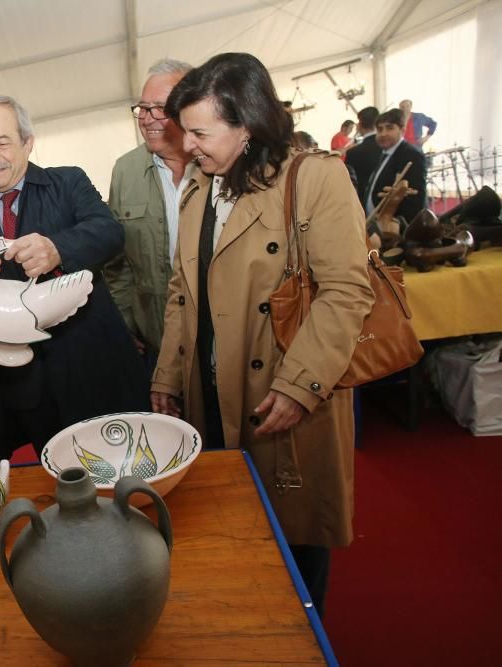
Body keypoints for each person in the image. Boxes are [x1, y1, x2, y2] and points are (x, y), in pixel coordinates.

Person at [152, 53, 374, 617]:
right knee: (232, 533)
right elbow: (183, 288)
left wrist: (300, 385)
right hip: (210, 390)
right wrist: (168, 376)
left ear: (246, 124)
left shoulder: (316, 177)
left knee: (295, 545)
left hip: (286, 389)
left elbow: (346, 290)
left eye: (200, 132)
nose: (189, 145)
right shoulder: (199, 186)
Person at [0, 95, 149, 457]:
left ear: (28, 142)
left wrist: (58, 248)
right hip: (27, 386)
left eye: (2, 142)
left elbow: (110, 233)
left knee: (126, 469)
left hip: (93, 365)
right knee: (57, 483)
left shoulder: (67, 183)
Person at [105, 58, 194, 371]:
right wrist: (126, 323)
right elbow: (117, 263)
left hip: (224, 339)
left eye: (160, 107)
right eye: (143, 108)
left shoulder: (217, 164)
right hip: (157, 341)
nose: (147, 118)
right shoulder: (125, 171)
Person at [364, 108, 427, 222]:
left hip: (394, 230)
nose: (383, 134)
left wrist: (398, 227)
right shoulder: (384, 153)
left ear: (402, 130)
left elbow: (416, 201)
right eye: (379, 129)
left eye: (389, 128)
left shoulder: (412, 155)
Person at [344, 106, 380, 200]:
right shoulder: (387, 148)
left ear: (359, 125)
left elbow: (348, 183)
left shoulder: (353, 153)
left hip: (360, 201)